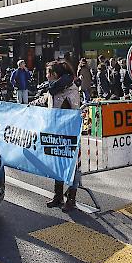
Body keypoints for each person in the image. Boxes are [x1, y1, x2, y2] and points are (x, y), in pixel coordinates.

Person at [30, 61, 81, 212]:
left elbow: (75, 113)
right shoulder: (53, 89)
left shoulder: (71, 90)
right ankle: (58, 196)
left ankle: (71, 199)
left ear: (54, 75)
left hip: (69, 135)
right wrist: (28, 105)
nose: (46, 76)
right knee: (57, 165)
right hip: (55, 133)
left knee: (72, 167)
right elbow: (44, 99)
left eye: (47, 73)